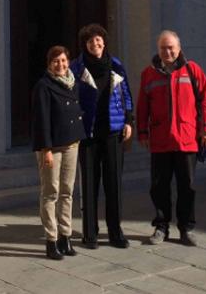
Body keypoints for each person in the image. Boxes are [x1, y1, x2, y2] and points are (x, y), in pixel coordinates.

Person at [137, 30, 206, 247]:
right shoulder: (148, 74)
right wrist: (142, 132)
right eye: (163, 47)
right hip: (161, 140)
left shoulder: (192, 70)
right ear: (158, 50)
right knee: (159, 186)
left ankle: (186, 228)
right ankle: (161, 227)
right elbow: (142, 107)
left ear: (179, 48)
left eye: (171, 47)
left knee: (187, 186)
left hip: (187, 139)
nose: (167, 51)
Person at [71, 23, 134, 249]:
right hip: (88, 134)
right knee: (89, 184)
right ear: (85, 45)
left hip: (112, 132)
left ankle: (116, 232)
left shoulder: (116, 65)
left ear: (104, 42)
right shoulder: (76, 68)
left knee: (113, 183)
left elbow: (126, 93)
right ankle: (90, 233)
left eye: (98, 40)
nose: (95, 44)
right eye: (90, 42)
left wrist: (129, 120)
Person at [31, 45, 85, 260]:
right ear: (49, 64)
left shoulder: (73, 83)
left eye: (63, 60)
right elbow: (41, 120)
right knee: (50, 192)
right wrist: (46, 150)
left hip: (72, 144)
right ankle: (51, 240)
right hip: (52, 148)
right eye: (56, 61)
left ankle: (66, 236)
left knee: (67, 192)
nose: (60, 65)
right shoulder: (43, 86)